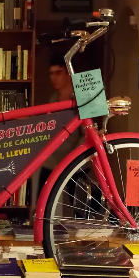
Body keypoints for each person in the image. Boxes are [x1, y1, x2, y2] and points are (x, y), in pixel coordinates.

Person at [38, 54, 84, 193]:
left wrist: (75, 158)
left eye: (58, 73)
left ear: (69, 74)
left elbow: (87, 133)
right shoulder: (54, 98)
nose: (54, 78)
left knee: (79, 202)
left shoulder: (80, 98)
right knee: (44, 197)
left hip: (74, 160)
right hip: (52, 159)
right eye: (51, 74)